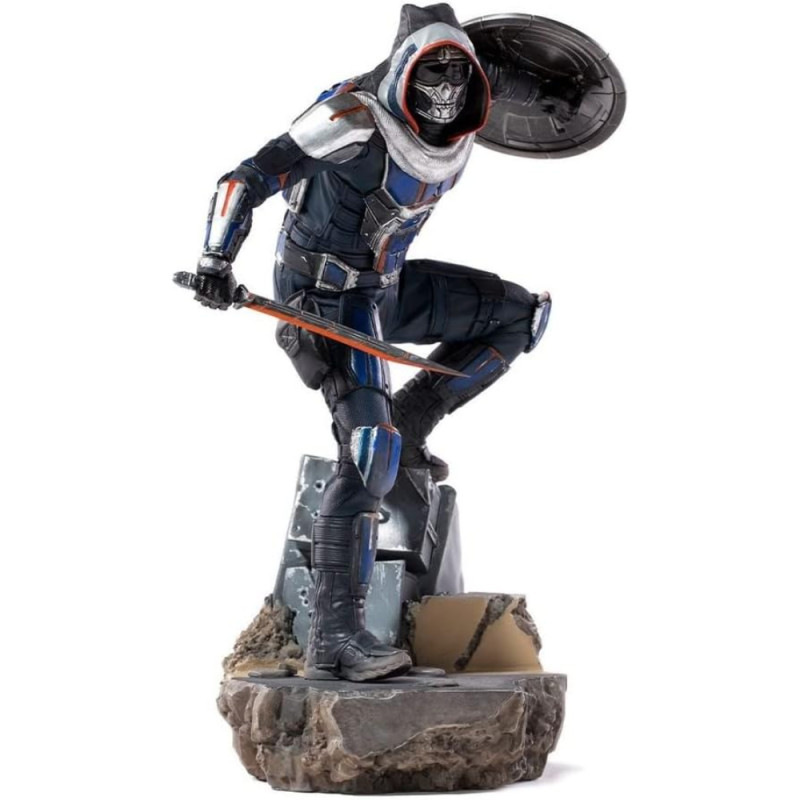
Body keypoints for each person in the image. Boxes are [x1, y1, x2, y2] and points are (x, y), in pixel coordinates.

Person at [192, 3, 555, 681]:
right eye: (432, 75)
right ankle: (334, 637)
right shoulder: (351, 119)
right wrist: (216, 259)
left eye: (459, 76)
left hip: (384, 288)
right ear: (404, 72)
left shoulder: (468, 99)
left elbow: (538, 85)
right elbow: (243, 179)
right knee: (367, 448)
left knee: (519, 318)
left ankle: (412, 422)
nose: (447, 92)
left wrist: (560, 95)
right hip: (325, 297)